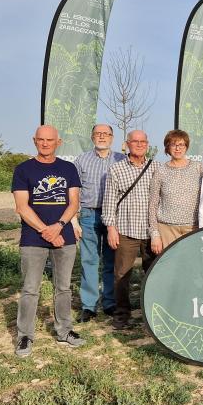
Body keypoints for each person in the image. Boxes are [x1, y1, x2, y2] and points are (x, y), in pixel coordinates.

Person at [11, 125, 84, 357]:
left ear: (58, 142)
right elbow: (22, 207)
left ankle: (65, 330)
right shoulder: (23, 170)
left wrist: (59, 226)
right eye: (41, 140)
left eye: (49, 140)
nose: (45, 143)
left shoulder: (68, 168)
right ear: (34, 141)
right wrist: (46, 230)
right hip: (33, 238)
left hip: (65, 237)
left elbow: (74, 203)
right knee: (30, 289)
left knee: (63, 287)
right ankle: (25, 336)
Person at [103, 130, 158, 330]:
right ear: (127, 144)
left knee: (153, 274)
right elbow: (109, 202)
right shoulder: (116, 169)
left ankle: (152, 314)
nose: (139, 144)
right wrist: (111, 228)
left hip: (152, 231)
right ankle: (122, 315)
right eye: (135, 141)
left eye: (143, 141)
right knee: (122, 275)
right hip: (126, 230)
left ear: (148, 144)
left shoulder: (156, 167)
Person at [72, 124, 126, 322]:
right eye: (98, 133)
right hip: (89, 215)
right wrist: (74, 219)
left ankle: (110, 302)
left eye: (106, 134)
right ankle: (89, 305)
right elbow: (74, 191)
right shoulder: (82, 160)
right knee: (89, 260)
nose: (102, 136)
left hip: (115, 218)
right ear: (92, 136)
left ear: (112, 138)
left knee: (112, 261)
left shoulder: (121, 159)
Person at [149, 130, 203, 255]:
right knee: (172, 268)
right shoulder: (160, 171)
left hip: (193, 227)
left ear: (186, 147)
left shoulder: (198, 168)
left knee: (192, 265)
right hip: (167, 229)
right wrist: (155, 234)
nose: (178, 148)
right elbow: (153, 204)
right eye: (173, 145)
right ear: (167, 147)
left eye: (181, 145)